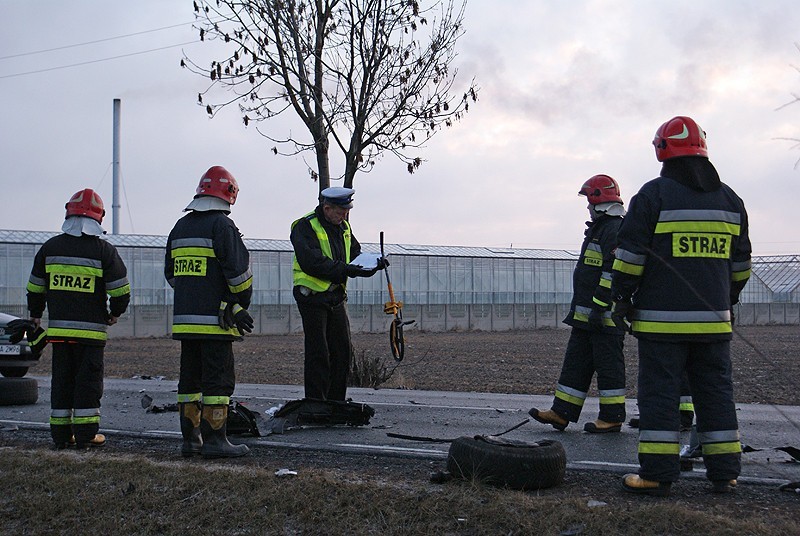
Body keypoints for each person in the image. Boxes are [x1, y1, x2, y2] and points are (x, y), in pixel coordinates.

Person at [612, 116, 752, 496]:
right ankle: (725, 474)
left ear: (662, 151)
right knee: (716, 394)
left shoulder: (653, 196)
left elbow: (628, 259)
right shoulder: (730, 200)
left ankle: (657, 475)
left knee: (660, 396)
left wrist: (622, 298)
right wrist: (726, 300)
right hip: (714, 324)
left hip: (661, 327)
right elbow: (740, 267)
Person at [26, 189, 130, 449]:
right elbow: (121, 290)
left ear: (68, 214)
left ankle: (61, 436)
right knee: (88, 383)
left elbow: (35, 288)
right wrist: (115, 313)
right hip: (91, 335)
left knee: (61, 382)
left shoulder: (50, 248)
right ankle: (85, 436)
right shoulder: (103, 251)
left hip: (59, 334)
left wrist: (36, 315)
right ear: (99, 218)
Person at [165, 166, 254, 459]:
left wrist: (197, 296)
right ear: (229, 195)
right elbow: (239, 276)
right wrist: (236, 303)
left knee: (189, 381)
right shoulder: (223, 227)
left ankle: (191, 441)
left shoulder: (180, 227)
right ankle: (216, 440)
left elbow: (172, 276)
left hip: (186, 323)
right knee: (218, 382)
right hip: (216, 325)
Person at [529, 175, 628, 433]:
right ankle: (562, 412)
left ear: (599, 201)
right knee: (576, 363)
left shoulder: (614, 229)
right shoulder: (601, 228)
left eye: (588, 201)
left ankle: (612, 416)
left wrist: (598, 307)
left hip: (604, 317)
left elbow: (612, 273)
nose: (586, 207)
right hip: (587, 316)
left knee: (609, 367)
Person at [290, 186, 386, 401]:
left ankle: (336, 402)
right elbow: (312, 263)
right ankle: (317, 402)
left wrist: (373, 265)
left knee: (342, 352)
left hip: (335, 296)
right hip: (312, 296)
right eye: (341, 211)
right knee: (319, 353)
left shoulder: (343, 227)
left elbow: (355, 256)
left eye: (347, 211)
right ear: (326, 208)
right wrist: (347, 270)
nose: (345, 216)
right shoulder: (304, 226)